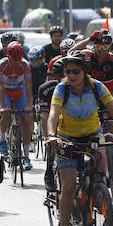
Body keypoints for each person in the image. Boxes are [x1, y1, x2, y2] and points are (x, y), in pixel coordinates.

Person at [45, 51, 113, 226]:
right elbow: (54, 114)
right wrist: (51, 135)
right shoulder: (62, 89)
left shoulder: (97, 87)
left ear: (85, 71)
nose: (71, 75)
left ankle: (97, 195)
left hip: (92, 135)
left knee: (100, 174)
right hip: (66, 138)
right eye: (68, 71)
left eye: (75, 71)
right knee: (69, 186)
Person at [0, 42, 35, 170]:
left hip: (19, 92)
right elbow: (0, 87)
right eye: (14, 60)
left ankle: (27, 156)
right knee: (6, 113)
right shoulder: (1, 65)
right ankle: (2, 139)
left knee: (27, 118)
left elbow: (28, 87)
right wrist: (3, 107)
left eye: (19, 60)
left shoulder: (25, 65)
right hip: (5, 92)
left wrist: (29, 105)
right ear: (8, 56)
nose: (17, 62)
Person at [38, 57, 65, 191]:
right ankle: (49, 170)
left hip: (70, 124)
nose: (67, 77)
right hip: (52, 122)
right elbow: (45, 115)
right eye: (62, 74)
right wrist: (49, 136)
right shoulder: (46, 89)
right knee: (51, 145)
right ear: (55, 75)